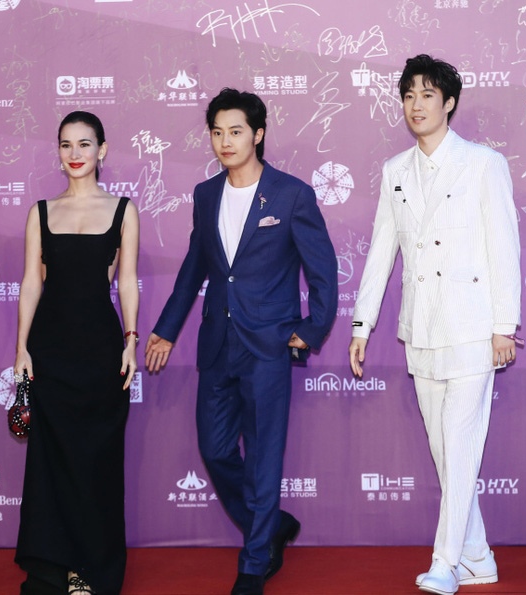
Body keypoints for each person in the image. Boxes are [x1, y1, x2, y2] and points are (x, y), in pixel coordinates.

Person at [145, 88, 338, 595]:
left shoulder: (291, 194)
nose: (225, 141)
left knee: (264, 455)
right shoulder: (206, 194)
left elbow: (323, 271)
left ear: (258, 134)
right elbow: (195, 267)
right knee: (214, 448)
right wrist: (166, 328)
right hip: (217, 342)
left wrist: (310, 330)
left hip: (269, 345)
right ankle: (269, 525)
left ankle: (254, 564)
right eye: (217, 132)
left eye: (236, 131)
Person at [348, 55, 521, 595]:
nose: (416, 105)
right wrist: (361, 324)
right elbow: (381, 251)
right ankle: (478, 556)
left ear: (449, 102)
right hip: (420, 328)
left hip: (473, 327)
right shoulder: (395, 171)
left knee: (461, 444)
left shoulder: (483, 164)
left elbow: (504, 247)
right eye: (408, 96)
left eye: (427, 95)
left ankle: (445, 562)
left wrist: (504, 325)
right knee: (447, 453)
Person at [13, 111, 139, 595]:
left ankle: (89, 569)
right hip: (51, 353)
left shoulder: (124, 210)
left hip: (101, 352)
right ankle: (56, 568)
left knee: (96, 462)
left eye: (85, 144)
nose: (75, 153)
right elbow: (31, 283)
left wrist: (130, 340)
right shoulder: (41, 212)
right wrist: (22, 348)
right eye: (66, 144)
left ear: (102, 150)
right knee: (53, 465)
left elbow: (126, 281)